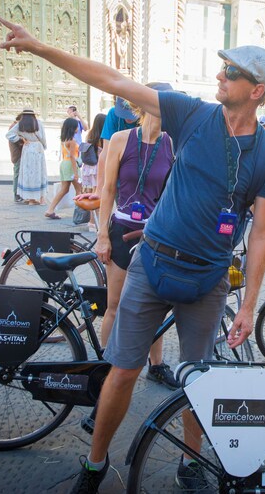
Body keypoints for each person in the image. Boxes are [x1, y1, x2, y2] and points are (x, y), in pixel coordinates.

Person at [0, 17, 265, 493]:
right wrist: (40, 47)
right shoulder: (191, 114)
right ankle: (94, 464)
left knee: (200, 377)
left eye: (230, 73)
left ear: (256, 91)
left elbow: (262, 233)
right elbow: (113, 79)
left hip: (208, 280)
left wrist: (250, 304)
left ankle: (191, 464)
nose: (219, 77)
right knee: (122, 369)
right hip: (152, 265)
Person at [93, 84, 177, 389]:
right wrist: (102, 234)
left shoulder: (172, 144)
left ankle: (157, 365)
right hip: (121, 229)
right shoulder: (119, 139)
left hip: (154, 235)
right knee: (114, 304)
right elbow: (108, 189)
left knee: (154, 305)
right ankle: (105, 365)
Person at [6, 109, 47, 205]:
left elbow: (9, 135)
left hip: (27, 148)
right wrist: (44, 146)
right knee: (39, 172)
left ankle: (30, 199)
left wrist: (20, 139)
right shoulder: (38, 123)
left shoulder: (20, 124)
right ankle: (39, 198)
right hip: (37, 147)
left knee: (28, 173)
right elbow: (43, 137)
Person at [45, 117, 83, 219]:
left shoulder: (63, 139)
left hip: (64, 164)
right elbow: (72, 156)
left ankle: (50, 209)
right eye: (77, 126)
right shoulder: (72, 140)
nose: (78, 128)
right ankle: (79, 213)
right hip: (70, 164)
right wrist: (75, 173)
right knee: (79, 189)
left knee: (64, 189)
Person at [80, 113, 106, 230]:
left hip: (88, 168)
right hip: (98, 168)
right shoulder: (103, 138)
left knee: (91, 194)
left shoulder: (90, 135)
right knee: (98, 195)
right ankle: (95, 221)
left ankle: (92, 221)